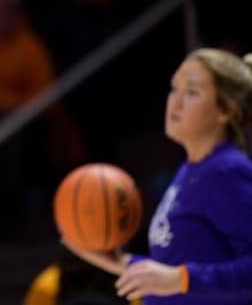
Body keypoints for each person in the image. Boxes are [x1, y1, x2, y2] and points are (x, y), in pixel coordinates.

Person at [62, 48, 252, 304]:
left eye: (192, 92)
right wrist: (120, 262)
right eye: (174, 89)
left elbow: (181, 277)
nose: (175, 101)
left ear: (225, 110)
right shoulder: (191, 170)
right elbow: (173, 270)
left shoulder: (226, 170)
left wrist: (180, 279)